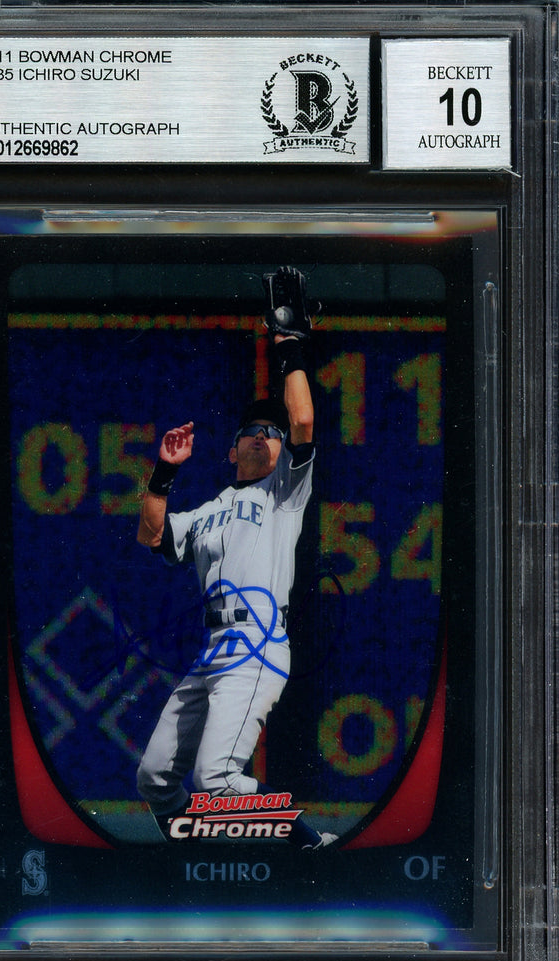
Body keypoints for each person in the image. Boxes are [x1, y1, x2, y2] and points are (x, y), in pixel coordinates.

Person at [136, 267, 337, 850]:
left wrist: (289, 344)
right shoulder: (207, 511)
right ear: (231, 451)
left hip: (256, 645)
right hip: (213, 651)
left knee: (216, 781)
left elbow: (303, 420)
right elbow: (152, 535)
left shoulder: (283, 495)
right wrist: (163, 472)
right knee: (154, 778)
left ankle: (310, 843)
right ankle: (187, 855)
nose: (263, 435)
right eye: (252, 429)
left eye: (271, 432)